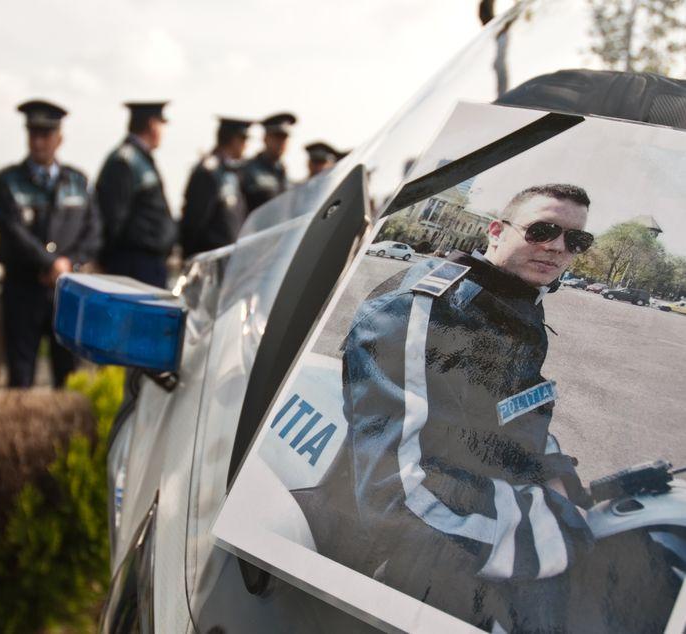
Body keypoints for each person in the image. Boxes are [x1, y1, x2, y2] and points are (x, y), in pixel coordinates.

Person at [294, 184, 598, 631]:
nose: (557, 247)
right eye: (542, 230)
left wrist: (557, 477)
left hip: (475, 509)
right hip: (393, 554)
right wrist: (547, 539)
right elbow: (394, 492)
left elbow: (520, 412)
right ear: (496, 231)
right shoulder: (423, 310)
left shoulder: (517, 306)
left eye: (576, 240)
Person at [0, 100, 101, 388]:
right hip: (23, 291)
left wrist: (68, 264)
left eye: (46, 134)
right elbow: (13, 232)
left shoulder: (78, 181)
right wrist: (50, 263)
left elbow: (93, 232)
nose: (38, 142)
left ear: (59, 138)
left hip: (66, 292)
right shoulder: (6, 182)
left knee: (70, 378)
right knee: (20, 379)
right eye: (33, 134)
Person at [96, 101, 176, 287]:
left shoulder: (140, 158)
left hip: (150, 264)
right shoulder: (125, 161)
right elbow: (113, 217)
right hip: (133, 265)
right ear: (152, 125)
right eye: (161, 124)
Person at [180, 117, 254, 258]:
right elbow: (194, 222)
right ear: (234, 140)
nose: (246, 145)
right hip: (211, 258)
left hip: (230, 256)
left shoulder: (231, 171)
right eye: (244, 139)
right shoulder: (208, 171)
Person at [240, 112, 296, 212]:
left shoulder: (284, 173)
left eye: (284, 138)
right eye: (277, 137)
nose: (281, 142)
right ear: (265, 138)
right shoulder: (247, 169)